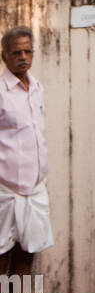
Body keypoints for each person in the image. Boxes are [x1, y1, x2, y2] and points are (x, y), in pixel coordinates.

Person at [0, 26, 54, 279]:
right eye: (16, 52)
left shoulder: (36, 88)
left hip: (34, 191)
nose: (23, 57)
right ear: (4, 57)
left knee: (26, 257)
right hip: (4, 192)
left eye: (28, 51)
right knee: (1, 259)